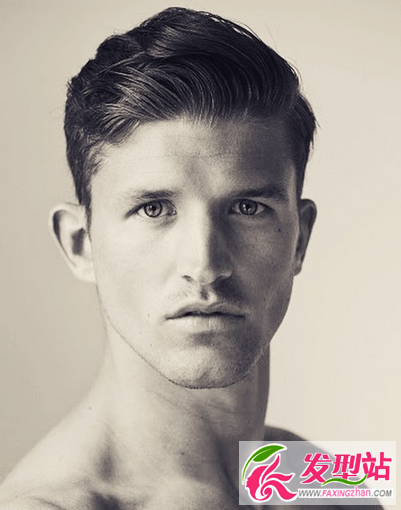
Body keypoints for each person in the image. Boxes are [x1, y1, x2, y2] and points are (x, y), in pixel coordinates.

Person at [0, 7, 381, 510]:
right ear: (80, 243)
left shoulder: (326, 483)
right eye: (153, 209)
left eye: (248, 208)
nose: (205, 266)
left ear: (300, 238)